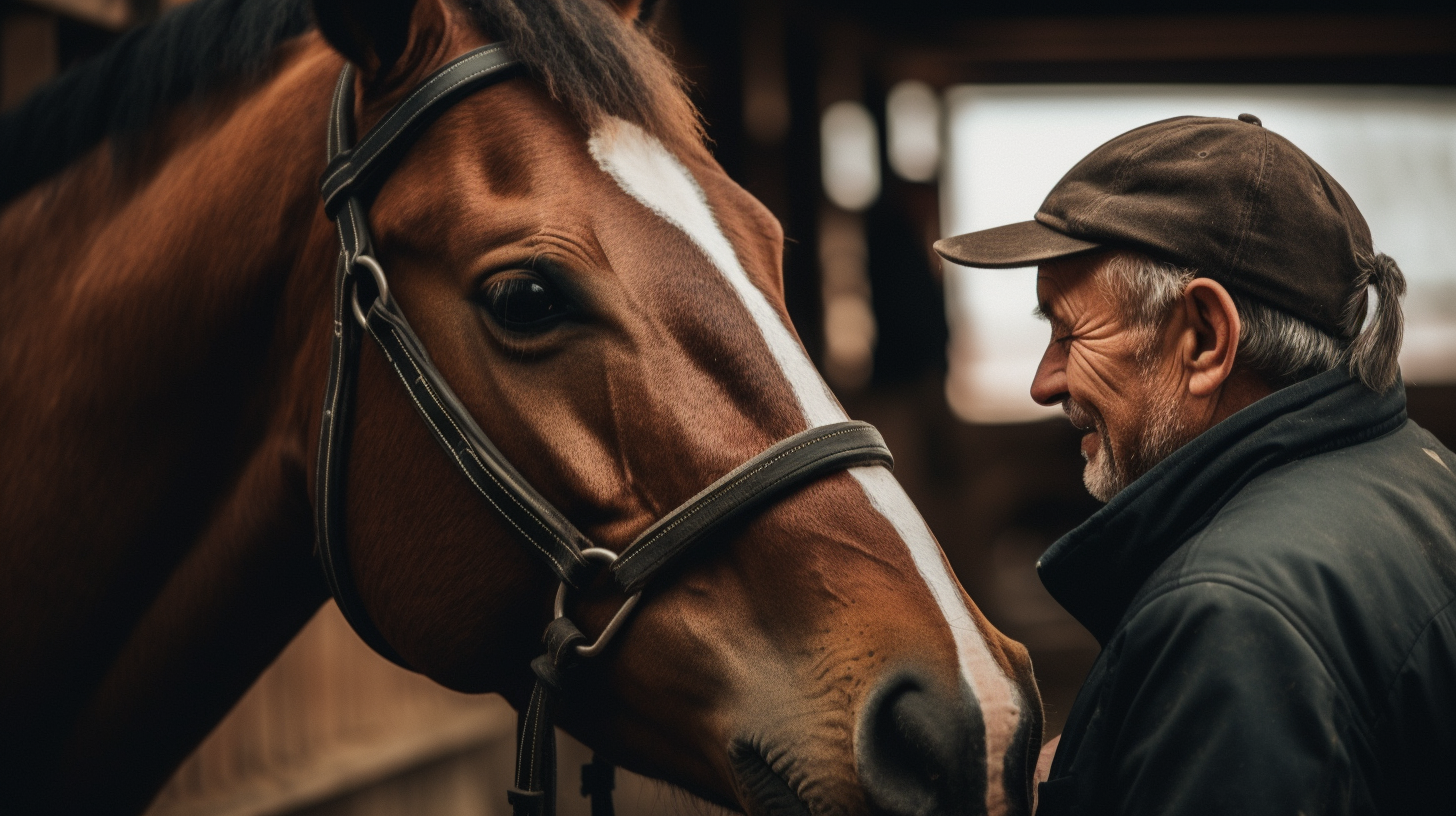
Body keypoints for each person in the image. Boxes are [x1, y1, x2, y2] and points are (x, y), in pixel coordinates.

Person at [934, 113, 1456, 815]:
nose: (1043, 382)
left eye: (1069, 332)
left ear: (1206, 338)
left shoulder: (1228, 620)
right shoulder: (1421, 471)